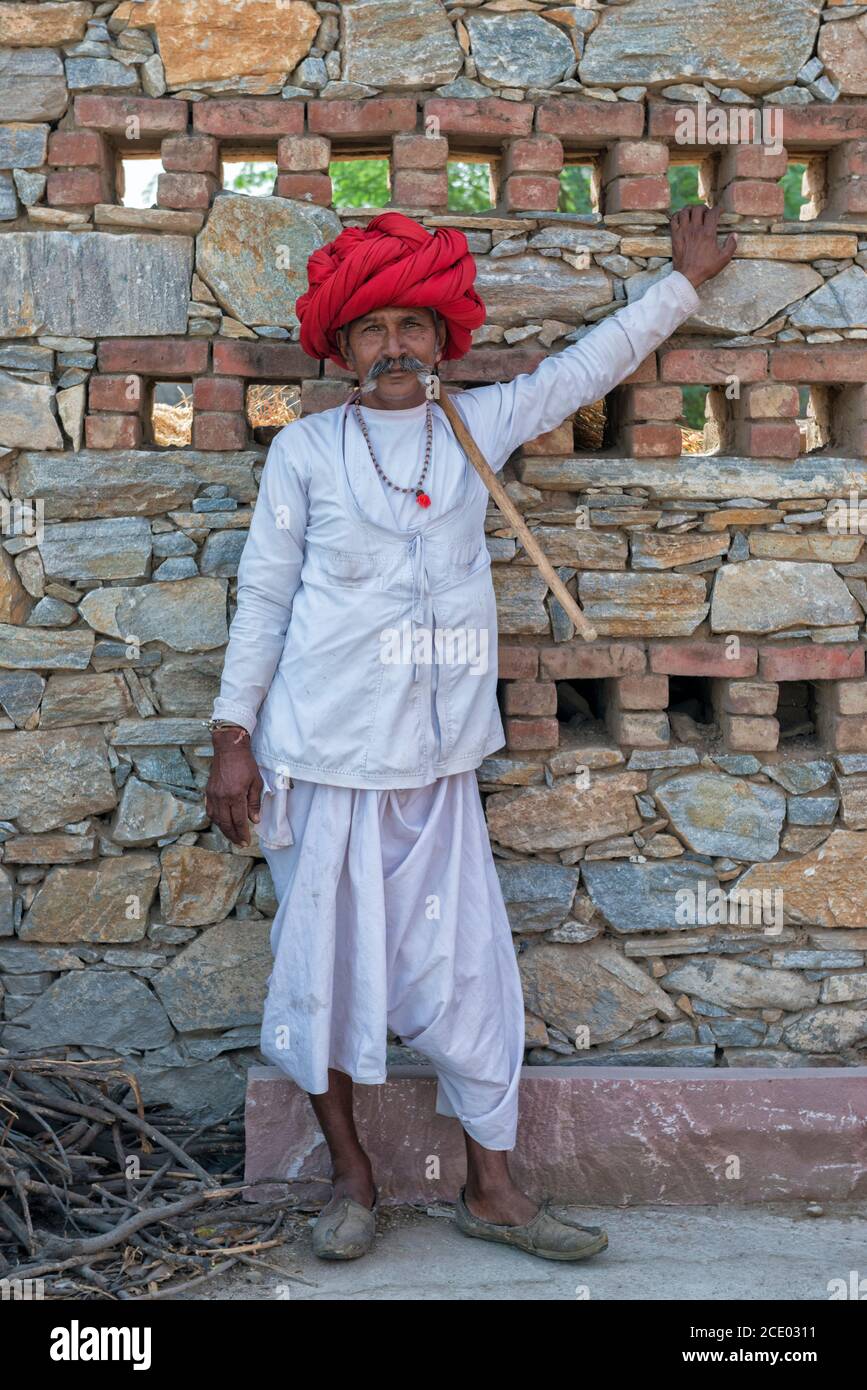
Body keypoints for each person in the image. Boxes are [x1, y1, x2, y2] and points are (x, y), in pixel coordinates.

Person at [205, 203, 736, 1261]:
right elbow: (264, 597)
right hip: (321, 760)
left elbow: (586, 370)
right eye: (372, 330)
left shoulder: (476, 424)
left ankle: (492, 1189)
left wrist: (685, 285)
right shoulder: (308, 451)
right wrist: (232, 735)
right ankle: (353, 1183)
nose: (395, 346)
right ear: (343, 348)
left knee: (470, 977)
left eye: (414, 326)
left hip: (438, 769)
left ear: (444, 342)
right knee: (326, 978)